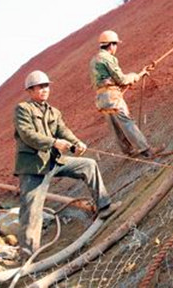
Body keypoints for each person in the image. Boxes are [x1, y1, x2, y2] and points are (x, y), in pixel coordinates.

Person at [14, 70, 119, 259]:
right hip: (34, 167)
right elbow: (27, 135)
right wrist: (54, 143)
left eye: (46, 86)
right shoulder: (23, 109)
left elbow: (63, 130)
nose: (44, 89)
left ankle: (104, 206)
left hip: (54, 161)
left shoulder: (54, 112)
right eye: (40, 87)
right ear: (30, 90)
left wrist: (77, 142)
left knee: (88, 165)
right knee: (31, 211)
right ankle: (28, 257)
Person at [89, 30, 160, 157]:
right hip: (112, 97)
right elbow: (121, 80)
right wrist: (135, 76)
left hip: (101, 99)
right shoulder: (108, 58)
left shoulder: (94, 60)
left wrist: (139, 74)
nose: (116, 47)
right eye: (115, 44)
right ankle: (146, 150)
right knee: (127, 122)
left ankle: (129, 151)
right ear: (111, 45)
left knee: (115, 126)